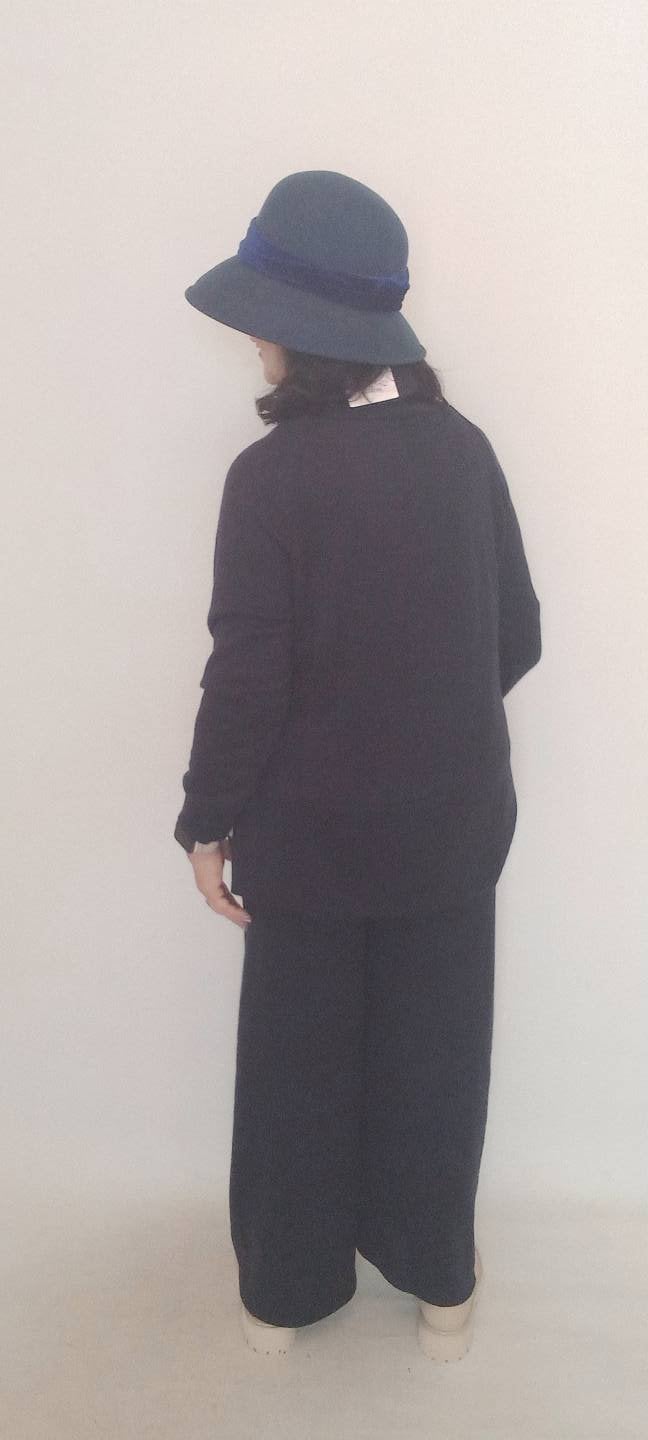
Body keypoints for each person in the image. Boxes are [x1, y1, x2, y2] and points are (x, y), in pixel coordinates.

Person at [173, 170, 542, 1360]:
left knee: (300, 1067)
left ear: (300, 331)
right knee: (438, 1061)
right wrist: (425, 723)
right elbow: (519, 635)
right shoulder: (464, 451)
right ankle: (441, 1285)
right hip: (452, 828)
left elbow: (248, 675)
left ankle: (284, 1296)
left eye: (263, 321)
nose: (255, 343)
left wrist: (207, 820)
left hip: (309, 839)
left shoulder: (272, 477)